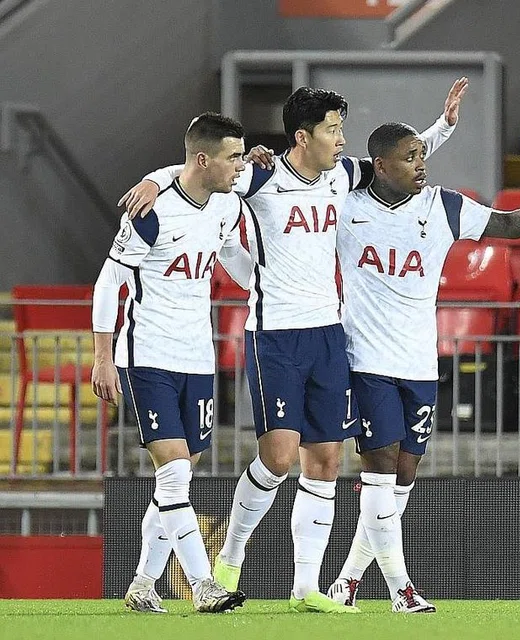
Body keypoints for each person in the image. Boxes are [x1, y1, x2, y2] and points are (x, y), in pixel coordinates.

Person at [118, 79, 468, 614]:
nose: (342, 139)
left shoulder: (343, 175)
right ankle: (230, 556)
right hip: (274, 334)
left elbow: (394, 159)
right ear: (303, 136)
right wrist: (155, 176)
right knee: (278, 458)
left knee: (325, 460)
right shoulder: (259, 176)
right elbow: (203, 170)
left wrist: (441, 127)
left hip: (330, 333)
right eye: (333, 129)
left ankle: (306, 588)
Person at [324, 124, 520, 612]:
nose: (421, 163)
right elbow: (295, 183)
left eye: (423, 155)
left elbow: (512, 225)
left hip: (421, 361)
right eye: (409, 157)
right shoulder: (346, 207)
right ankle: (402, 590)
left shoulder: (442, 206)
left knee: (402, 475)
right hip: (365, 361)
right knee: (378, 469)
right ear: (379, 166)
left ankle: (348, 579)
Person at [92, 112, 253, 614]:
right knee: (176, 472)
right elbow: (107, 283)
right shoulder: (150, 212)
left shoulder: (225, 205)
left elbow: (239, 265)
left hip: (196, 357)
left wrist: (277, 277)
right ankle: (204, 585)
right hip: (149, 355)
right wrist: (103, 357)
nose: (239, 166)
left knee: (176, 481)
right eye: (232, 157)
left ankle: (143, 583)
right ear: (203, 159)